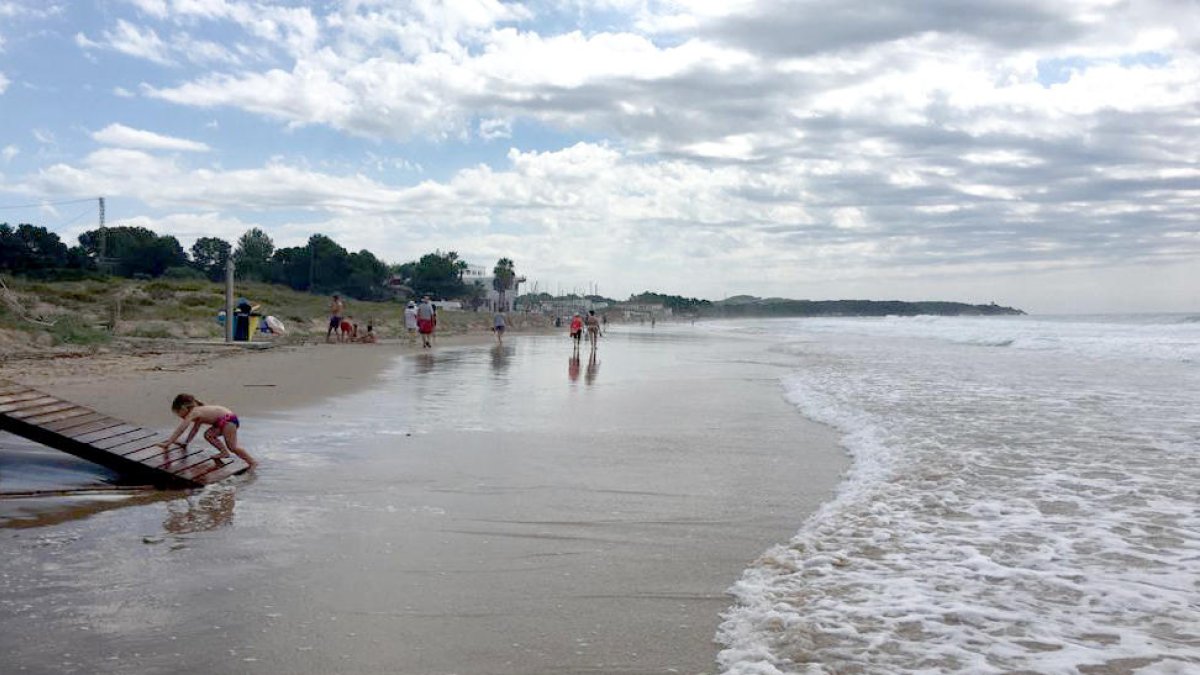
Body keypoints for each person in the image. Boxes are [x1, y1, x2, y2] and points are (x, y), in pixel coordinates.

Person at [157, 393, 257, 467]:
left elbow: (181, 429)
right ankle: (224, 452)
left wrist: (168, 443)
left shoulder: (194, 412)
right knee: (208, 435)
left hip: (228, 421)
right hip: (224, 422)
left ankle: (252, 462)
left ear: (183, 409)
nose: (180, 417)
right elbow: (194, 430)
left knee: (233, 447)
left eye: (178, 413)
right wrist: (186, 443)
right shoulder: (198, 411)